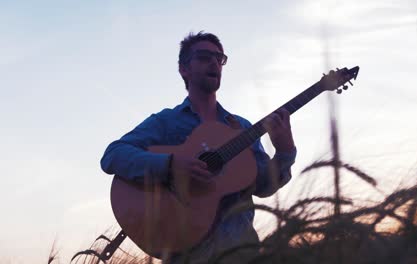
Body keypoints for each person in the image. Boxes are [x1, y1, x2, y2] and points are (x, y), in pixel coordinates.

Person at [100, 31, 296, 263]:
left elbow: (263, 186)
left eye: (219, 58)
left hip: (242, 253)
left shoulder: (241, 128)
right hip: (187, 255)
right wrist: (170, 165)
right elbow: (113, 155)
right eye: (204, 57)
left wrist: (284, 151)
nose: (214, 62)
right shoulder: (166, 122)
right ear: (184, 69)